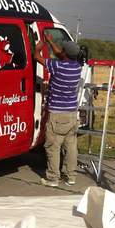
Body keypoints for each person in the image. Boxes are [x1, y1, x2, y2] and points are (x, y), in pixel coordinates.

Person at [34, 33, 82, 187]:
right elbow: (61, 54)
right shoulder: (77, 67)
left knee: (53, 146)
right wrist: (50, 41)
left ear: (65, 54)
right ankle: (71, 177)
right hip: (71, 114)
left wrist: (38, 48)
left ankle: (53, 178)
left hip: (57, 114)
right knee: (70, 147)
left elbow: (37, 58)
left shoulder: (58, 66)